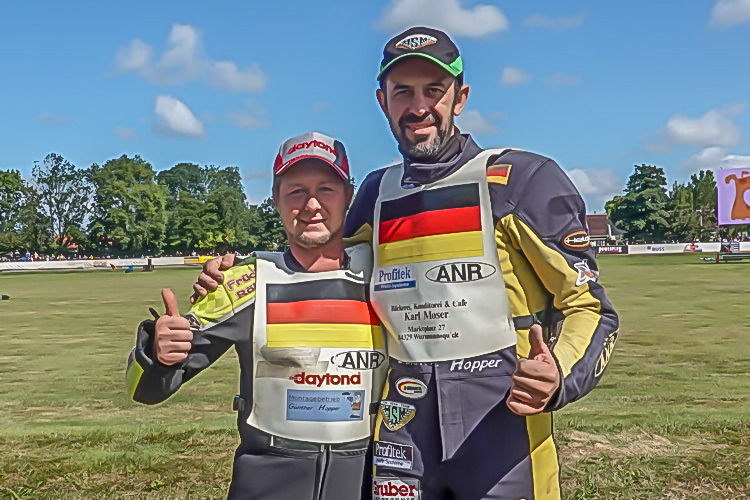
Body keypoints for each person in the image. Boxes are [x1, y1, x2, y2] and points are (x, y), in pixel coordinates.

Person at [196, 27, 619, 500]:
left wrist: (558, 374)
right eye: (403, 92)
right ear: (383, 102)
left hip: (504, 430)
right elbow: (320, 259)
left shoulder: (521, 180)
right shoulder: (376, 193)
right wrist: (235, 275)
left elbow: (590, 307)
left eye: (433, 90)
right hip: (402, 434)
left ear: (460, 98)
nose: (418, 106)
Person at [126, 132, 387, 500]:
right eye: (295, 191)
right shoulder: (244, 282)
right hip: (267, 484)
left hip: (364, 483)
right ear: (276, 201)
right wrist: (156, 354)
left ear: (348, 197)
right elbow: (143, 390)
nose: (311, 204)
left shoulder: (386, 275)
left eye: (326, 189)